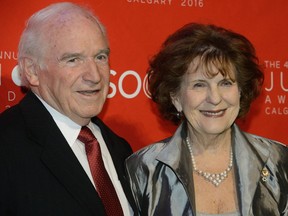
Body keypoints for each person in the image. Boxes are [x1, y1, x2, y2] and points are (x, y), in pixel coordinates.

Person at [125, 23, 288, 216]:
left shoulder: (278, 161)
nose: (215, 98)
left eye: (225, 83)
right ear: (176, 97)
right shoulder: (144, 169)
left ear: (241, 92)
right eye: (199, 85)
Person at [0, 2, 137, 216]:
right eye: (73, 60)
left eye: (100, 57)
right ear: (32, 70)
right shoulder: (6, 147)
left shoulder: (121, 150)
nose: (94, 76)